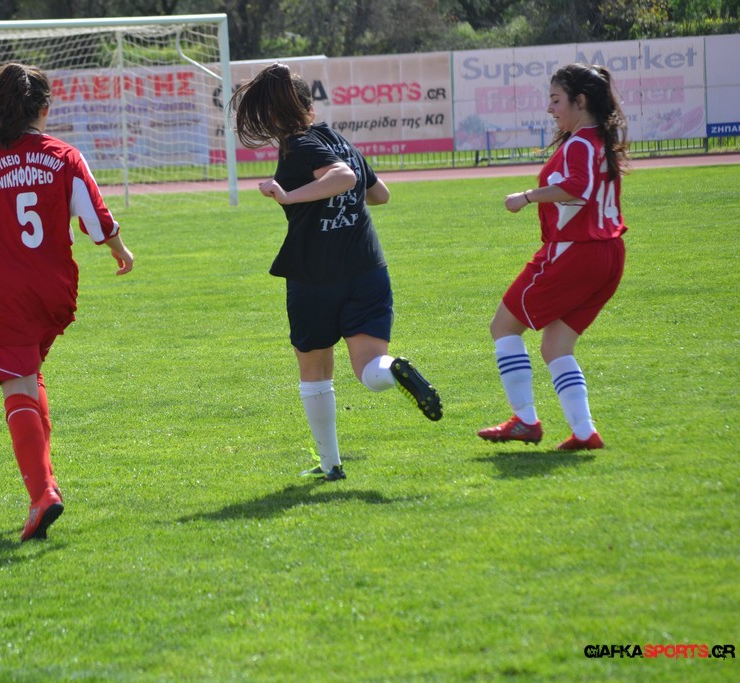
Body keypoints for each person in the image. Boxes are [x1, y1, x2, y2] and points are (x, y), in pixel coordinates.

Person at [0, 63, 135, 541]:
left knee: (15, 384)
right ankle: (46, 481)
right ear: (43, 109)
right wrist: (121, 251)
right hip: (53, 292)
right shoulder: (65, 155)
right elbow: (98, 218)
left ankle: (42, 494)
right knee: (28, 374)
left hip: (3, 293)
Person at [228, 63, 442, 482]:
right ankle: (395, 369)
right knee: (370, 369)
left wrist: (288, 196)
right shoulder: (339, 141)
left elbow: (343, 177)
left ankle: (331, 465)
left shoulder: (298, 146)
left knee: (314, 373)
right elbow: (379, 194)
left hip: (315, 277)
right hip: (367, 268)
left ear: (273, 115)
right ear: (310, 107)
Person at [477, 63, 629, 451]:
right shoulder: (600, 139)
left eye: (556, 100)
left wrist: (526, 197)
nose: (550, 108)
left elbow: (577, 187)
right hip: (609, 253)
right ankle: (584, 432)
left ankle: (525, 420)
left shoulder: (580, 142)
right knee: (555, 348)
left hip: (576, 250)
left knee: (503, 328)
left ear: (580, 101)